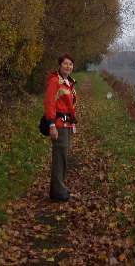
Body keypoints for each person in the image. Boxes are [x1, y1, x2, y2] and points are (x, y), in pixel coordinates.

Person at [44, 53, 77, 202]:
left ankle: (58, 188)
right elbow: (49, 104)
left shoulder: (69, 82)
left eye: (70, 64)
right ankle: (58, 192)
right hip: (58, 125)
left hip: (67, 125)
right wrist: (52, 126)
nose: (68, 66)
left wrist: (73, 123)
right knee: (60, 157)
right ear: (60, 65)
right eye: (65, 64)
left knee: (63, 156)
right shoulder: (54, 81)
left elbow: (70, 105)